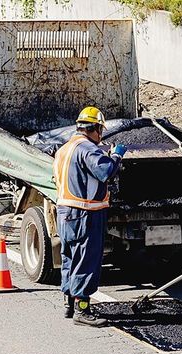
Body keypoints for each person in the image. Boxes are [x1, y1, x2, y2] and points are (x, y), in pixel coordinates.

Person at [53, 106, 127, 327]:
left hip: (65, 212)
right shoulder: (88, 149)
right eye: (100, 130)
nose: (100, 135)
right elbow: (105, 171)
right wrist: (116, 155)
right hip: (86, 214)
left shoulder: (64, 149)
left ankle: (69, 303)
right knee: (86, 260)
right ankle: (82, 310)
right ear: (94, 128)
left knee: (70, 258)